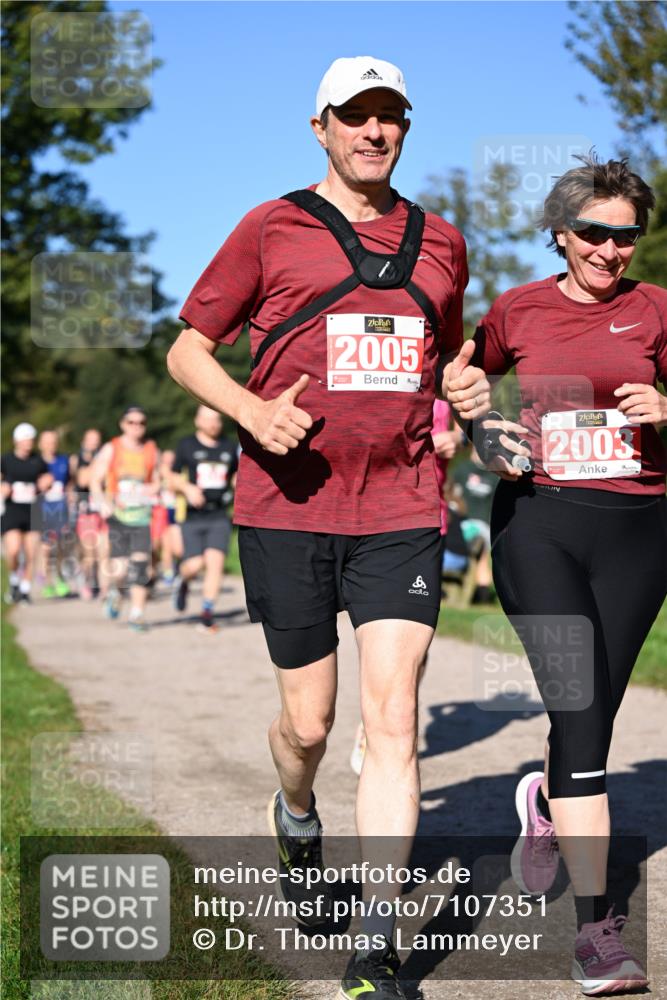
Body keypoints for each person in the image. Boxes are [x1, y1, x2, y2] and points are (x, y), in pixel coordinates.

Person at [168, 55, 488, 998]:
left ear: (404, 128)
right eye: (354, 116)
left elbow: (446, 361)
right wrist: (250, 412)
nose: (373, 131)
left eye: (390, 116)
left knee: (393, 723)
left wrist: (462, 395)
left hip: (400, 507)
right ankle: (297, 818)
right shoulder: (270, 227)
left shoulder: (442, 242)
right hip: (286, 507)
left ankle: (378, 945)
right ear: (320, 127)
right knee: (308, 727)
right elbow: (189, 350)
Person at [471, 155, 666, 996]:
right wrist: (483, 432)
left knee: (592, 709)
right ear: (560, 233)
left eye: (626, 234)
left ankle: (548, 802)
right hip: (539, 522)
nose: (609, 248)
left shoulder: (657, 310)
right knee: (583, 715)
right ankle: (597, 935)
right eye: (593, 231)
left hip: (640, 531)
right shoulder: (516, 308)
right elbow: (459, 381)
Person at [89, 406, 161, 632]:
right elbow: (94, 480)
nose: (136, 427)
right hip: (118, 516)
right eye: (132, 422)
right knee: (119, 569)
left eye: (141, 423)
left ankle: (137, 615)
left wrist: (151, 488)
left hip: (141, 516)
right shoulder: (111, 449)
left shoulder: (151, 449)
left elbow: (157, 480)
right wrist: (103, 502)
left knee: (141, 567)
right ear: (123, 424)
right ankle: (116, 591)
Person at [170, 406, 238, 631]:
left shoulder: (229, 446)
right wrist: (187, 488)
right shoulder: (186, 445)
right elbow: (170, 477)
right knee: (195, 564)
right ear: (197, 421)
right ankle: (182, 580)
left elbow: (236, 475)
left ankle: (207, 612)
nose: (214, 424)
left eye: (217, 419)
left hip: (219, 514)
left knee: (215, 562)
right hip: (193, 516)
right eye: (209, 419)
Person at [1, 423, 53, 604]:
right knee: (14, 550)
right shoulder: (6, 460)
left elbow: (47, 479)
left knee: (31, 554)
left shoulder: (38, 461)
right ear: (17, 440)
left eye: (30, 439)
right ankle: (14, 580)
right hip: (12, 510)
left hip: (33, 510)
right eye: (25, 439)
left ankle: (25, 590)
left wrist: (46, 483)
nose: (28, 443)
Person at [37, 429, 75, 598]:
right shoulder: (35, 462)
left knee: (60, 547)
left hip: (61, 509)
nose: (51, 445)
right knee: (46, 548)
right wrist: (40, 485)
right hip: (41, 510)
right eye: (47, 442)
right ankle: (47, 582)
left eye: (53, 441)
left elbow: (70, 482)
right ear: (40, 444)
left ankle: (60, 578)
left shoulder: (63, 460)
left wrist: (71, 493)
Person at [72, 428, 106, 600]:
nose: (93, 443)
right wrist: (98, 463)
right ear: (84, 441)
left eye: (96, 439)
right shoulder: (78, 459)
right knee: (89, 554)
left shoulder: (105, 459)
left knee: (103, 552)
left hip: (102, 511)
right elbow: (83, 480)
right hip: (86, 512)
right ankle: (85, 580)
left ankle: (101, 585)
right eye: (90, 439)